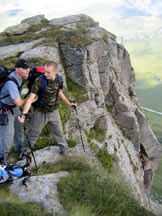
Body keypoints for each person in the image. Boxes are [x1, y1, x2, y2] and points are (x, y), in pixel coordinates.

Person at [18, 61, 77, 158]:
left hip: (54, 111)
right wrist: (24, 114)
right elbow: (30, 99)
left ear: (55, 72)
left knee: (59, 133)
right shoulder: (39, 81)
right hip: (40, 113)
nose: (45, 74)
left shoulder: (59, 79)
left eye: (48, 72)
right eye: (45, 71)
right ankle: (24, 152)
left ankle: (64, 150)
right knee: (33, 133)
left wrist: (69, 103)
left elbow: (59, 92)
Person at [0, 59, 30, 164]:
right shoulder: (11, 83)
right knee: (8, 135)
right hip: (4, 110)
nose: (27, 70)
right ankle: (2, 158)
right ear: (17, 69)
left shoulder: (21, 77)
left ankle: (20, 149)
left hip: (13, 108)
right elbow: (19, 103)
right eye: (24, 68)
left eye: (28, 68)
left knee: (19, 129)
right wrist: (30, 99)